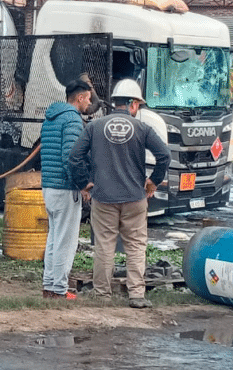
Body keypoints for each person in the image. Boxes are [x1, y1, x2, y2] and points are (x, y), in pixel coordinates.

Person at [68, 78, 171, 309]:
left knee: (104, 246)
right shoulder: (143, 129)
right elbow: (164, 155)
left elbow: (75, 157)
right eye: (139, 106)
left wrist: (84, 183)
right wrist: (153, 182)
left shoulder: (94, 127)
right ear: (133, 104)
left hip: (103, 197)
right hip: (135, 197)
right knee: (135, 246)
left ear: (116, 103)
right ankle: (136, 295)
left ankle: (103, 294)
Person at [39, 74, 92, 300]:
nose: (89, 104)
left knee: (53, 238)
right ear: (79, 98)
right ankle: (60, 290)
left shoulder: (51, 118)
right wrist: (82, 184)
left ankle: (49, 286)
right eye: (88, 99)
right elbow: (71, 157)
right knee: (65, 242)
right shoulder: (72, 120)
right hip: (65, 187)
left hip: (49, 186)